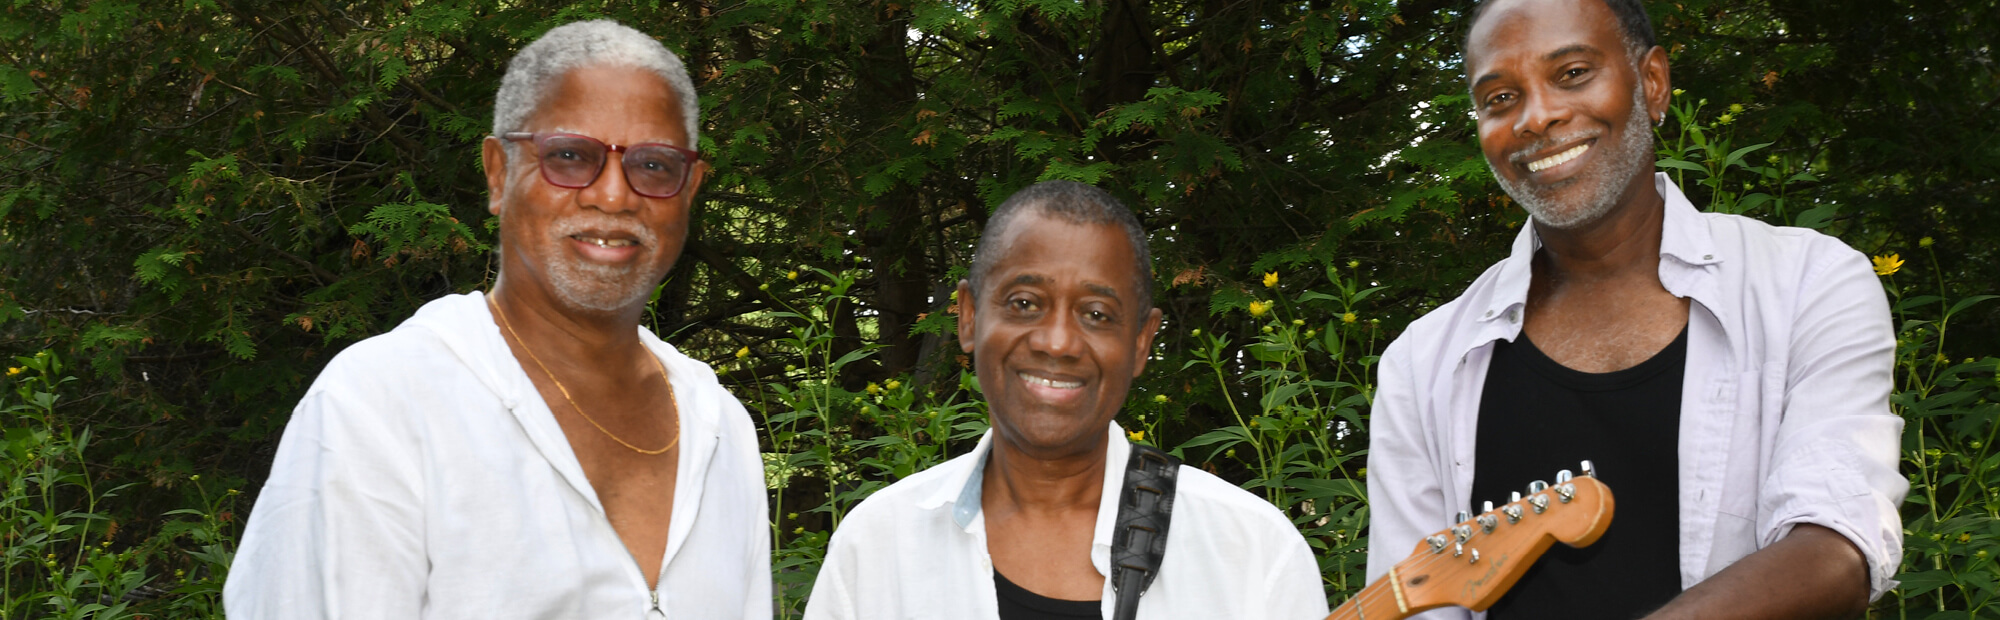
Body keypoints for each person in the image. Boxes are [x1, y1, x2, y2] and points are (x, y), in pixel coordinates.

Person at [1363, 0, 1906, 618]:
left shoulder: (1807, 283)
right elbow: (1410, 603)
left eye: (1572, 73)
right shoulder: (1423, 363)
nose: (1537, 117)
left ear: (1652, 82)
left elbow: (1837, 548)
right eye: (1500, 99)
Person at [224, 20, 771, 619]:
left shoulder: (718, 427)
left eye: (655, 165)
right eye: (569, 156)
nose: (614, 195)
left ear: (689, 189)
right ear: (499, 173)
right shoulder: (383, 404)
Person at [803, 181, 1329, 620]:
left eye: (1097, 314)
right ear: (968, 317)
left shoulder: (1252, 552)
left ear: (1140, 343)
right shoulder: (877, 546)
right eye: (1024, 303)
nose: (1057, 342)